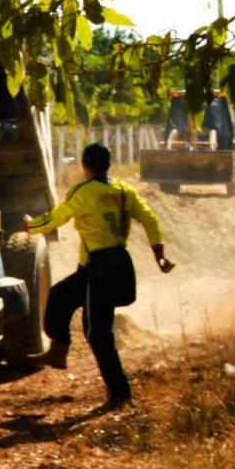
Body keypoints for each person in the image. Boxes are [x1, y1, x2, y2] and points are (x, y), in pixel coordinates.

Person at [24, 142, 173, 410]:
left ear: (84, 166)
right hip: (113, 263)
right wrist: (159, 254)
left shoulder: (84, 191)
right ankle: (59, 350)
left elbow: (58, 217)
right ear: (109, 165)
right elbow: (150, 219)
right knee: (60, 296)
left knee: (97, 333)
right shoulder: (124, 190)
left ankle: (120, 393)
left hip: (100, 270)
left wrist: (30, 226)